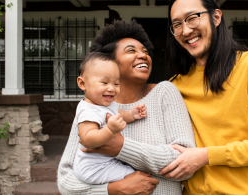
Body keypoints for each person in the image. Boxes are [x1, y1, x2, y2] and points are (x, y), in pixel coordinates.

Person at [159, 0, 248, 194]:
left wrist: (206, 156)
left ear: (216, 17)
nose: (186, 30)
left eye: (192, 18)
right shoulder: (175, 86)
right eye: (177, 24)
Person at [57, 20, 196, 195]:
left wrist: (121, 147)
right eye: (131, 50)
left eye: (145, 52)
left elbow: (186, 164)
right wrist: (112, 189)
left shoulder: (164, 93)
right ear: (109, 62)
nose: (144, 55)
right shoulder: (92, 106)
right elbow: (65, 179)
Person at [72, 52, 147, 184]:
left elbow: (120, 115)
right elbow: (87, 140)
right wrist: (110, 129)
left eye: (116, 84)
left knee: (133, 170)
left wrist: (131, 114)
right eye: (104, 82)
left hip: (105, 163)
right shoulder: (87, 110)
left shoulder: (106, 105)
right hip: (93, 168)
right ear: (82, 84)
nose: (111, 88)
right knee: (134, 176)